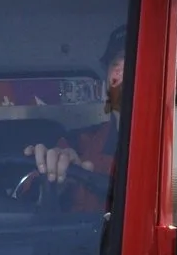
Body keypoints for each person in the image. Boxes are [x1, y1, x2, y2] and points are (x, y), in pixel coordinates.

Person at [24, 25, 127, 205]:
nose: (129, 74)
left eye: (142, 64)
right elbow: (27, 204)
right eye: (118, 63)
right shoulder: (78, 142)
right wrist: (51, 179)